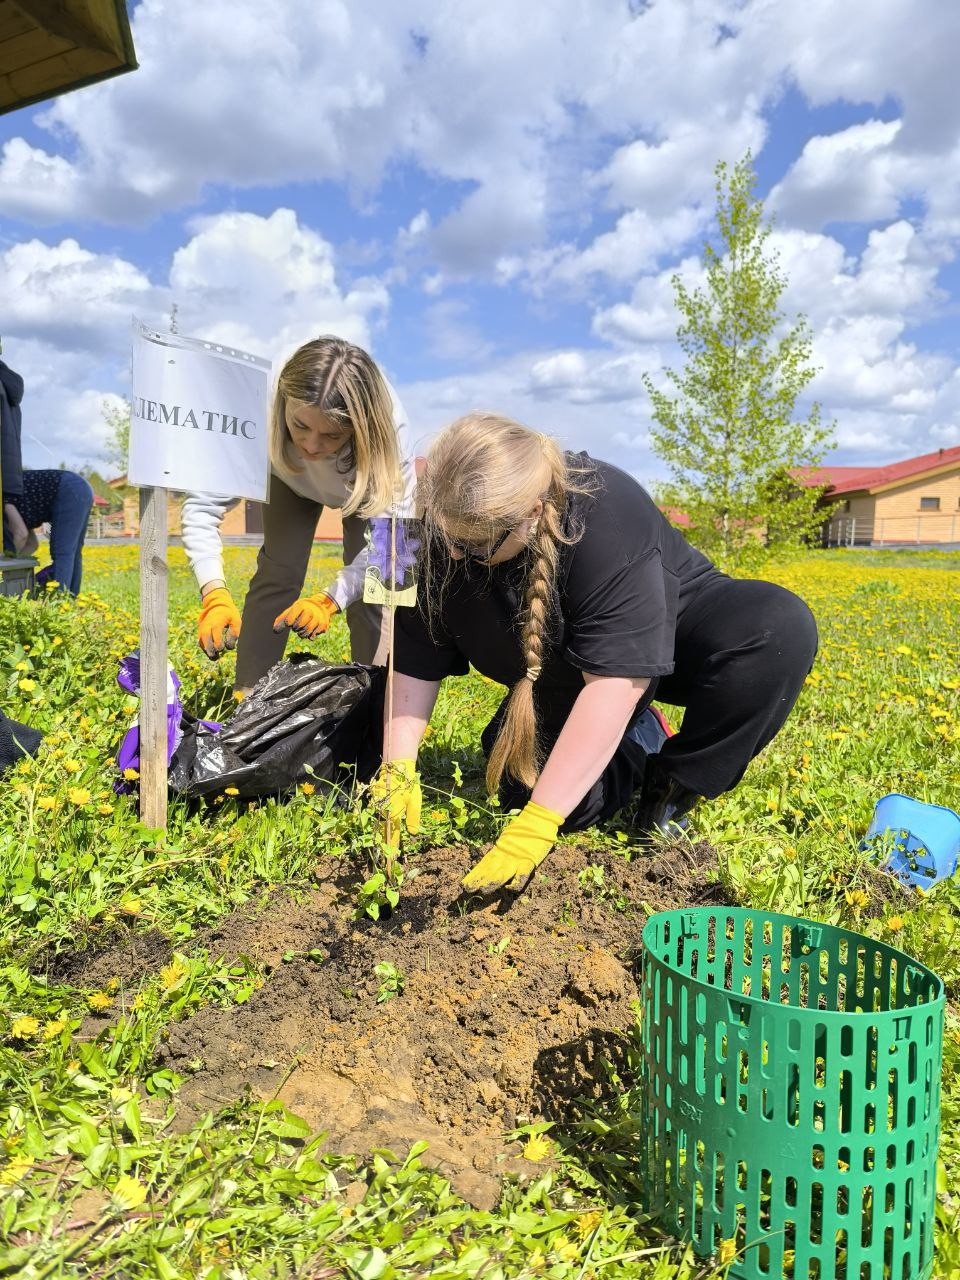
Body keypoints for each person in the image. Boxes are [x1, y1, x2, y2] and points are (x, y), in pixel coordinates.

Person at [374, 413, 818, 895]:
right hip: (563, 668)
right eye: (446, 537)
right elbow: (409, 653)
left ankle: (675, 786)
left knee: (780, 629)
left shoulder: (611, 507)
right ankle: (636, 742)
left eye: (475, 544)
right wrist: (397, 766)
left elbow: (615, 684)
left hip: (672, 637)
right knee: (524, 788)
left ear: (533, 513)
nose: (456, 555)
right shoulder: (400, 518)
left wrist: (538, 824)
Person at [181, 336, 415, 692]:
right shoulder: (254, 405)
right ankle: (250, 697)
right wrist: (213, 592)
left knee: (379, 593)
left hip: (364, 488)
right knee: (278, 571)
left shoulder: (393, 434)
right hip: (286, 478)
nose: (311, 445)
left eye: (331, 435)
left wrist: (329, 600)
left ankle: (380, 702)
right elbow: (202, 504)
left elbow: (393, 552)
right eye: (301, 425)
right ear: (283, 402)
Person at [1, 353, 94, 594]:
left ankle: (60, 602)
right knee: (71, 552)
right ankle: (68, 600)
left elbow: (20, 534)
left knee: (63, 552)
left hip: (67, 489)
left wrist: (6, 560)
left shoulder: (4, 494)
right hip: (75, 486)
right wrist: (18, 562)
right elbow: (31, 543)